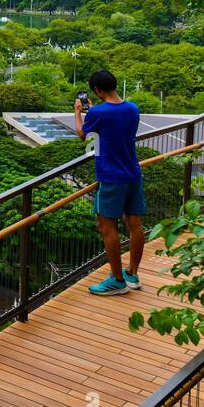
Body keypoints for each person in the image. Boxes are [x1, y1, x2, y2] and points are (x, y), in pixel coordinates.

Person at [74, 69, 144, 296]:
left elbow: (82, 134)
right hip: (132, 172)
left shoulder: (97, 112)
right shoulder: (132, 108)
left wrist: (78, 112)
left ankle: (117, 279)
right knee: (134, 224)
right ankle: (132, 273)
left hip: (111, 176)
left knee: (106, 226)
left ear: (97, 90)